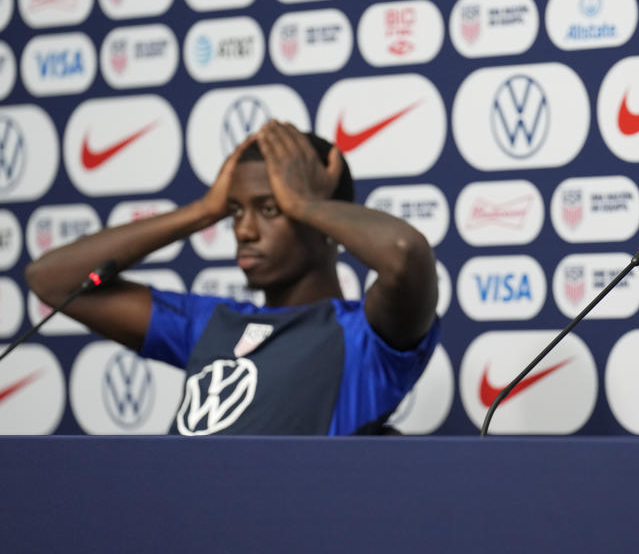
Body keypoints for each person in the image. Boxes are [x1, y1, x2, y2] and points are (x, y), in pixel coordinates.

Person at [26, 120, 440, 435]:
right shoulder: (209, 323)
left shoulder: (365, 338)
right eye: (236, 210)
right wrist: (204, 209)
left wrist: (303, 203)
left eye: (271, 210)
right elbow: (52, 281)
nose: (243, 230)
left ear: (328, 223)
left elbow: (405, 256)